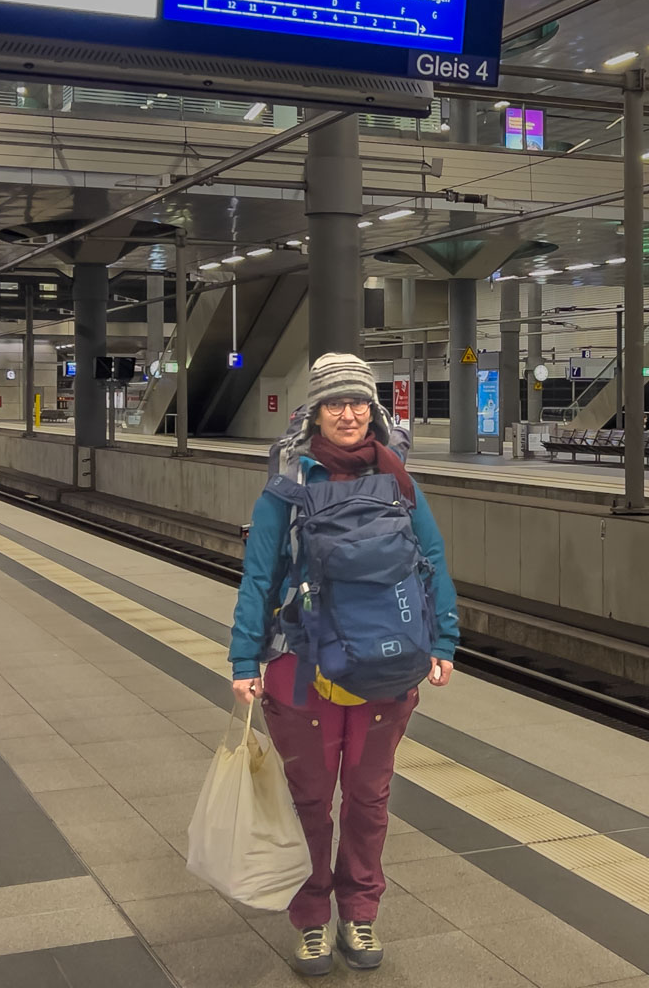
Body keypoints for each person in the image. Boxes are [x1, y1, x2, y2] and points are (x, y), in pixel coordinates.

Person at [229, 353, 458, 977]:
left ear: (375, 408)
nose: (350, 414)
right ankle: (310, 919)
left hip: (386, 663)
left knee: (367, 797)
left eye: (359, 402)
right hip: (302, 668)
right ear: (316, 414)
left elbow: (431, 560)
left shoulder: (399, 478)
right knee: (309, 802)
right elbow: (260, 576)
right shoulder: (289, 485)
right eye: (336, 403)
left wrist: (444, 641)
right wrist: (243, 656)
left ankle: (359, 913)